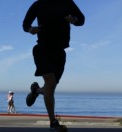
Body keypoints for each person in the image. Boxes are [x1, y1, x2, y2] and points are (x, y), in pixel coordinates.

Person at [23, 0, 85, 131]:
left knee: (50, 88)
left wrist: (74, 20)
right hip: (42, 49)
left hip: (60, 52)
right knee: (50, 82)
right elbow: (25, 24)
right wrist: (30, 29)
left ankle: (36, 90)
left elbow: (82, 19)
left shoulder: (67, 3)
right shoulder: (38, 4)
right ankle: (53, 122)